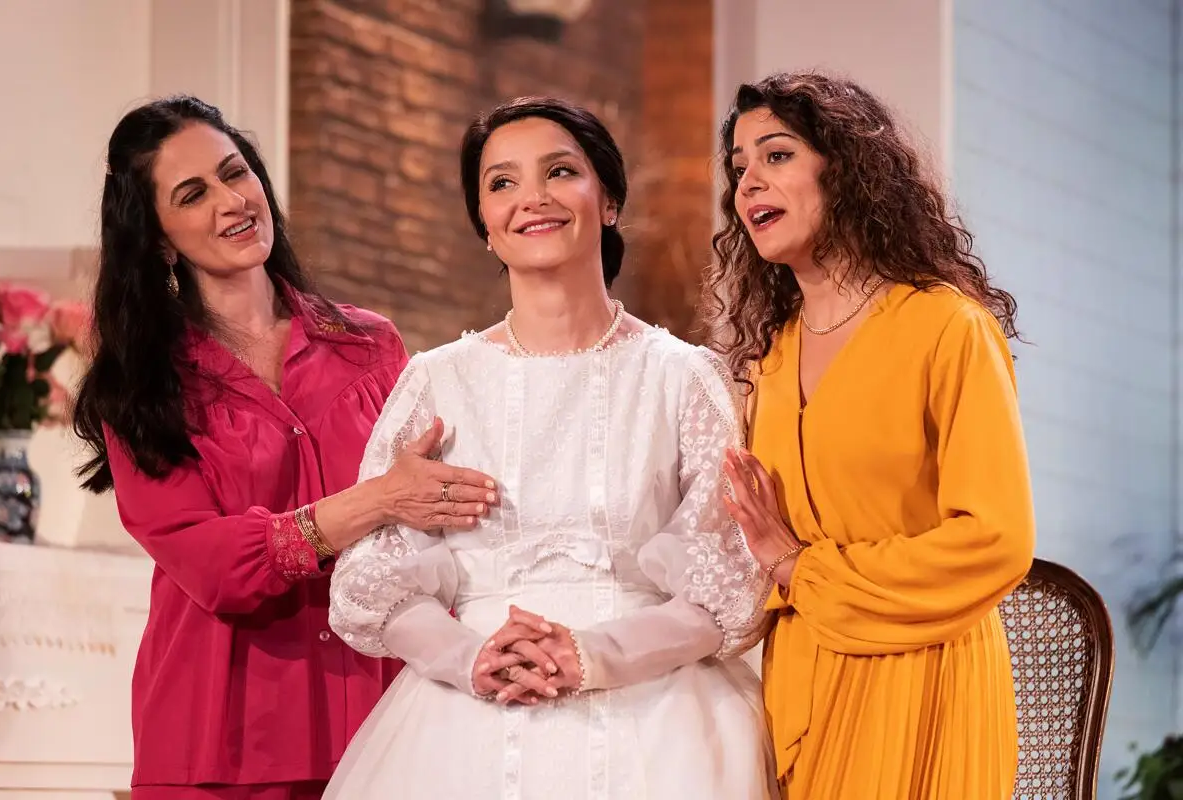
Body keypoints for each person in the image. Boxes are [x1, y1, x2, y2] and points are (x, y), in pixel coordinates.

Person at [321, 96, 775, 799]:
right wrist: (468, 657)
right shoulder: (437, 382)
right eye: (501, 183)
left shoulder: (683, 377)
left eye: (559, 171)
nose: (530, 197)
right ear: (485, 226)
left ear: (610, 200)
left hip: (658, 720)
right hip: (463, 724)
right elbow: (376, 579)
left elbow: (727, 587)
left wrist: (596, 655)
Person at [72, 95, 500, 799]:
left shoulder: (373, 346)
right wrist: (377, 501)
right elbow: (217, 568)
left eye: (235, 173)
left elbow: (433, 519)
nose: (232, 201)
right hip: (224, 742)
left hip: (382, 719)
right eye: (192, 194)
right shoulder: (139, 384)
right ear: (156, 236)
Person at [709, 72, 1036, 799]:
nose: (750, 182)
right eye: (739, 169)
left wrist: (805, 570)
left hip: (924, 681)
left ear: (849, 169)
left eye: (777, 155)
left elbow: (996, 540)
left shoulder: (948, 328)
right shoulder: (772, 355)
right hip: (801, 682)